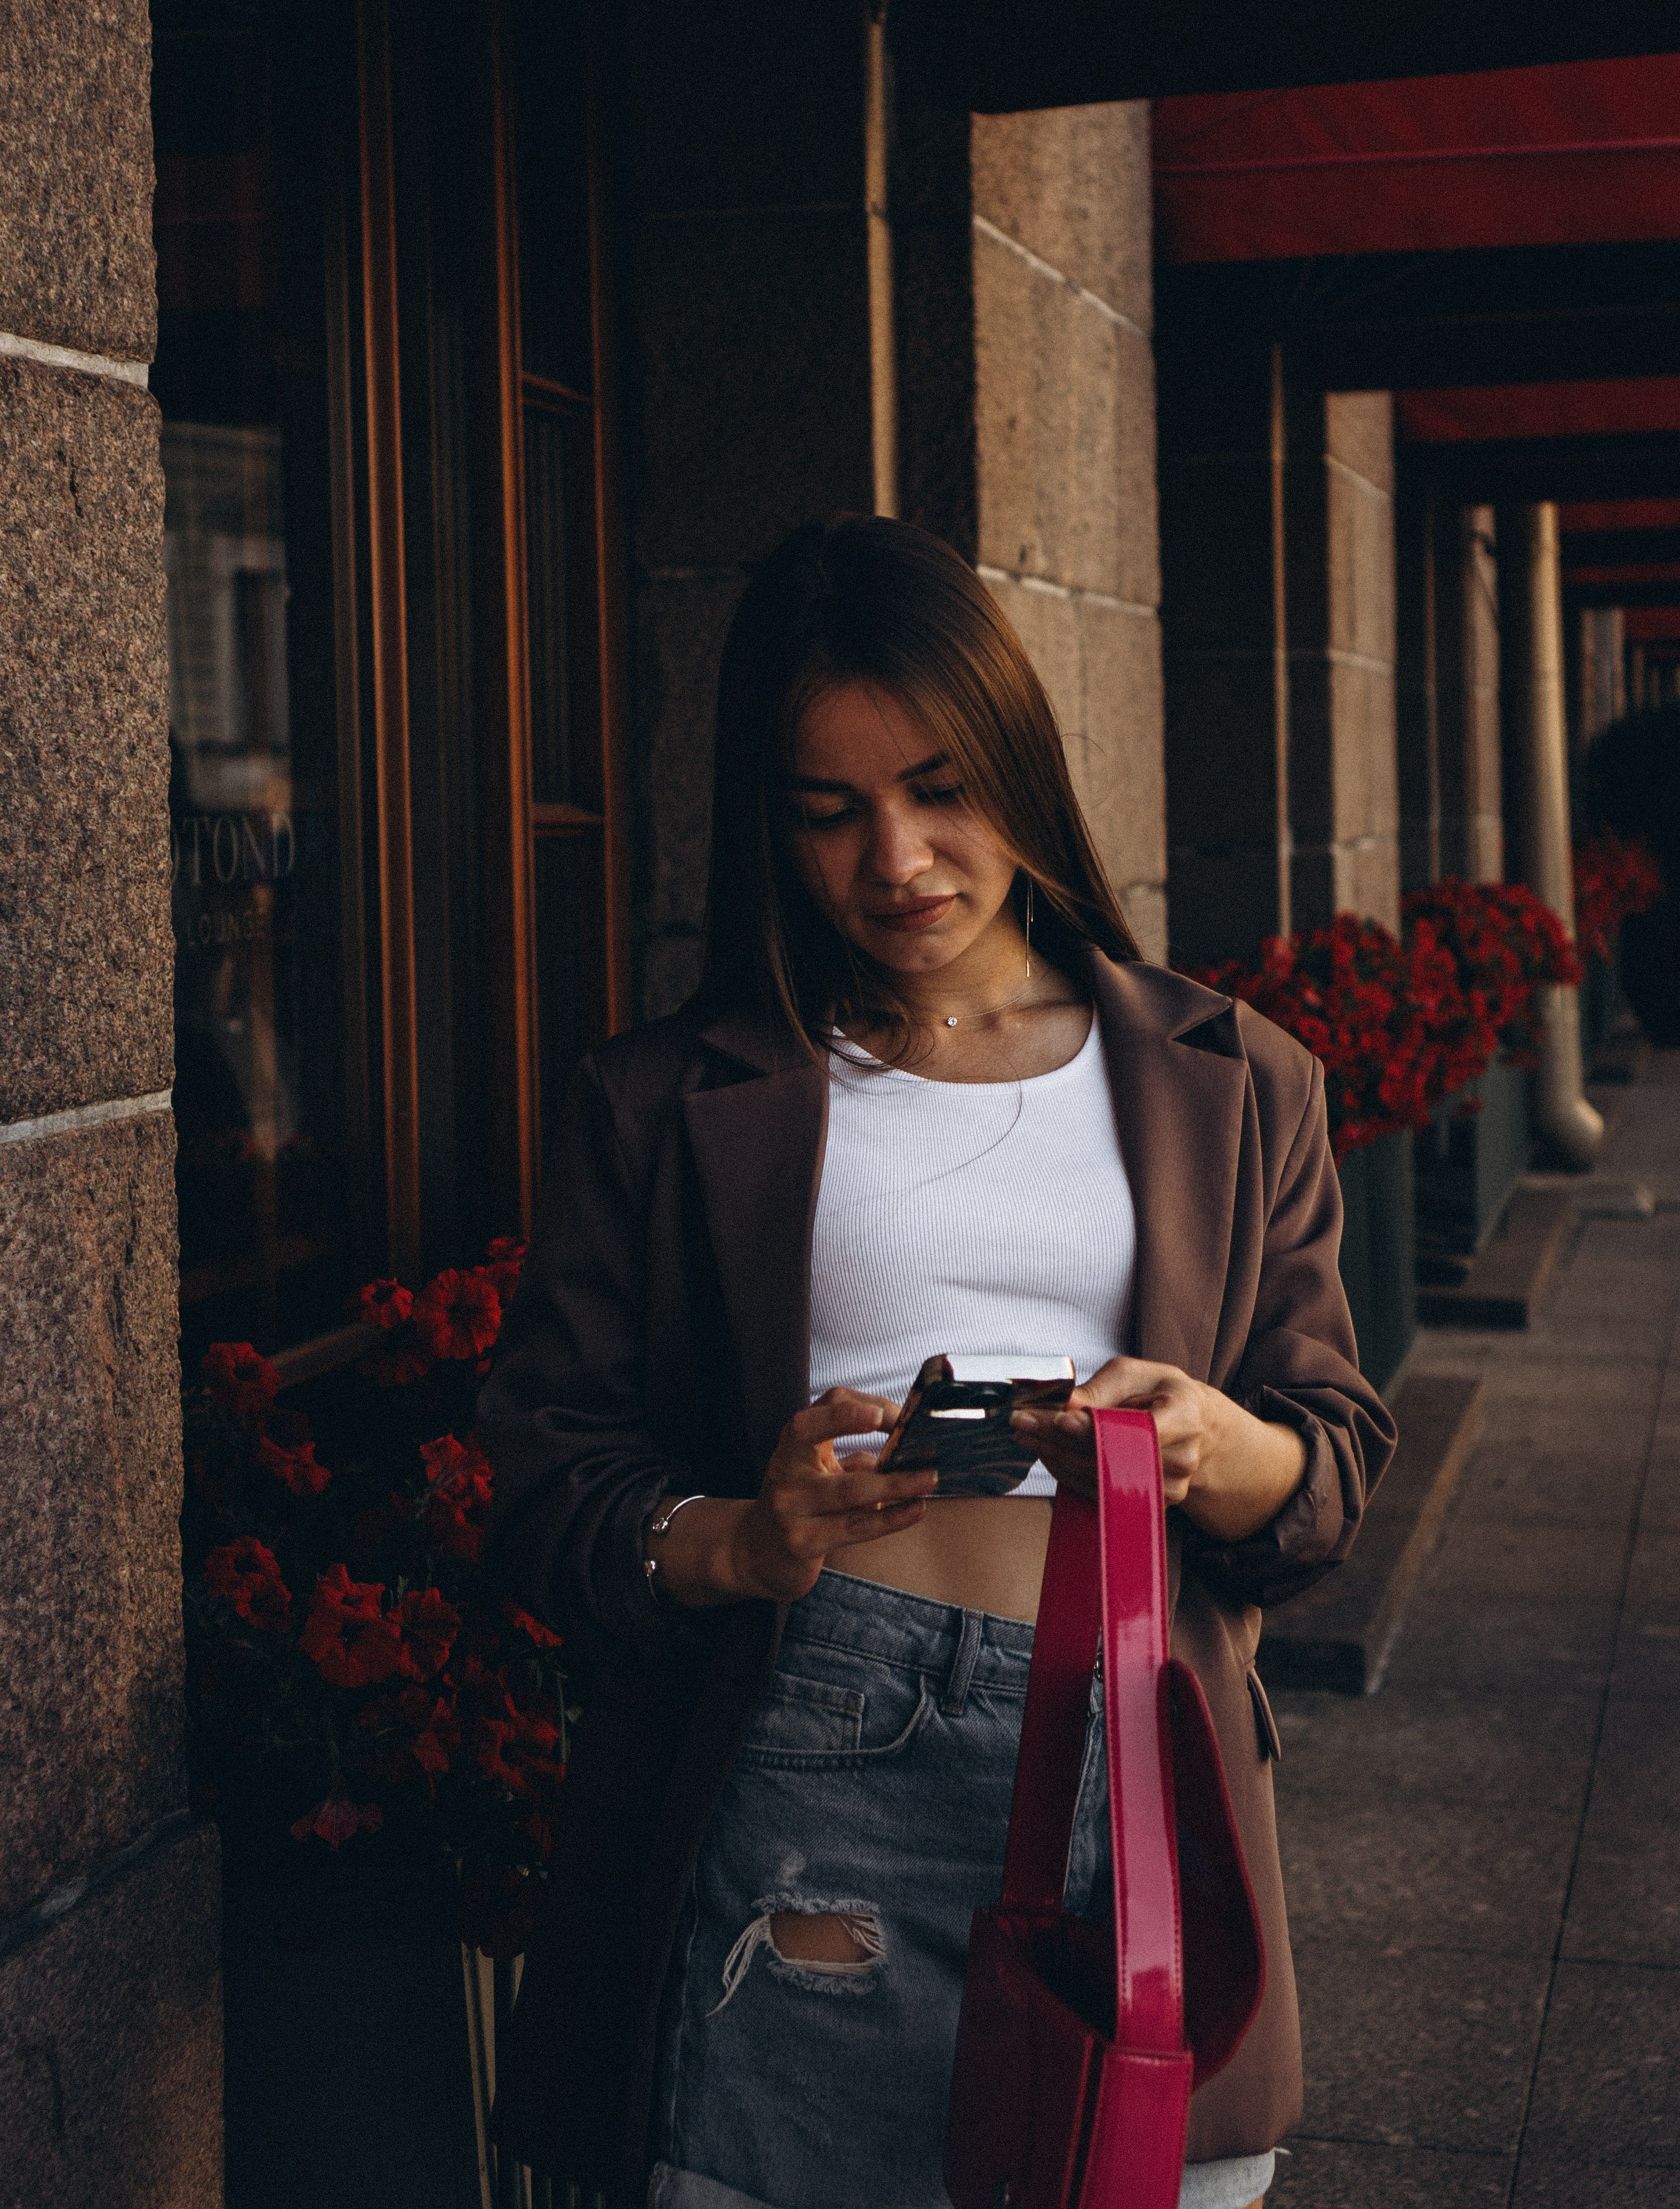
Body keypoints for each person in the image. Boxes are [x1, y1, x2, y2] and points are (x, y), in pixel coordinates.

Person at [480, 515, 1396, 2209]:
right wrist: (738, 1537)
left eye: (937, 786)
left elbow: (1328, 1454)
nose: (893, 857)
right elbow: (549, 1474)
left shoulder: (1230, 1074)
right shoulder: (663, 1096)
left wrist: (1216, 1446)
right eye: (825, 810)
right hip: (808, 1742)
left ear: (1020, 765)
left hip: (1136, 1742)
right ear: (763, 824)